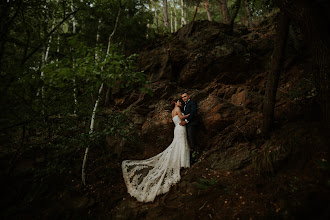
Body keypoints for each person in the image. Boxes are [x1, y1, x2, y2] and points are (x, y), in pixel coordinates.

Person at [122, 99, 190, 203]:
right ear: (176, 103)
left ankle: (179, 161)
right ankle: (181, 162)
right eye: (179, 102)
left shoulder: (172, 111)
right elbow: (181, 118)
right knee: (180, 144)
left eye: (181, 102)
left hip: (176, 128)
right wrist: (189, 115)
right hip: (180, 128)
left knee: (177, 144)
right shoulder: (177, 109)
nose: (180, 103)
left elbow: (174, 120)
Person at [179, 92, 199, 165]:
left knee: (192, 140)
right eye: (182, 97)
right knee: (189, 140)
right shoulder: (184, 105)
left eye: (185, 96)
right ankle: (190, 158)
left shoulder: (192, 102)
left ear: (189, 96)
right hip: (187, 125)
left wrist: (186, 121)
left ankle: (194, 158)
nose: (184, 98)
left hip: (192, 123)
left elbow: (193, 112)